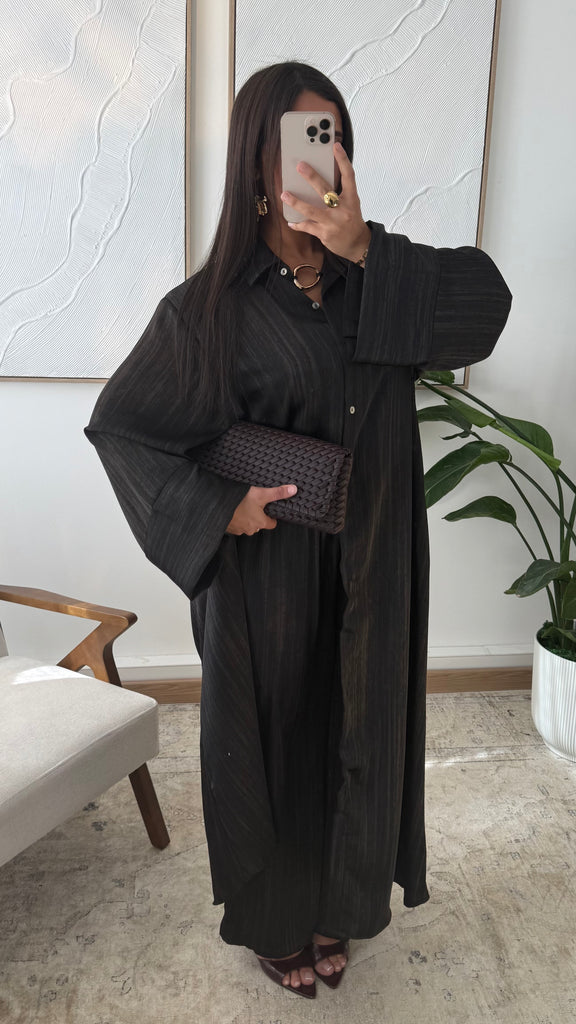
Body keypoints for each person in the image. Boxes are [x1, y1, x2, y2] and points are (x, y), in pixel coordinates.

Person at [84, 61, 512, 1000]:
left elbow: (488, 308)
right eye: (303, 140)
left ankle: (339, 906)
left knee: (362, 731)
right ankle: (279, 923)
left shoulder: (378, 282)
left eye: (335, 137)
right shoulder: (210, 309)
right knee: (274, 740)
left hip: (374, 561)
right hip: (265, 578)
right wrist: (219, 509)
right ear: (257, 161)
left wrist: (363, 245)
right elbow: (123, 428)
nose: (324, 158)